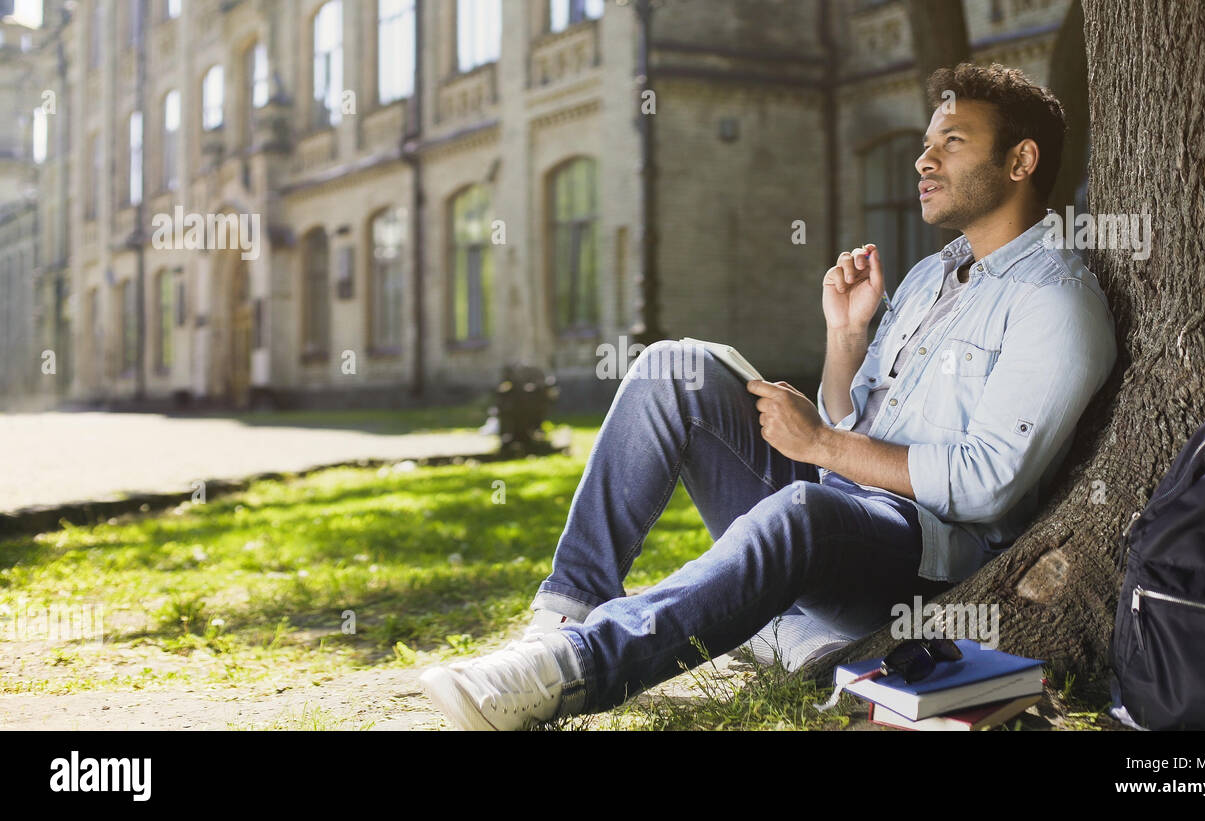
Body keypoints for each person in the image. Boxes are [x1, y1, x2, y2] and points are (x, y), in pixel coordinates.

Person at [418, 62, 1118, 731]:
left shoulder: (1054, 299)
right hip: (838, 505)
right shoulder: (932, 276)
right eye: (926, 144)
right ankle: (564, 615)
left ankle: (574, 669)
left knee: (807, 507)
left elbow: (986, 485)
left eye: (952, 143)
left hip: (923, 558)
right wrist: (844, 337)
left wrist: (821, 444)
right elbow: (852, 419)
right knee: (676, 367)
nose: (922, 161)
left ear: (1021, 161)